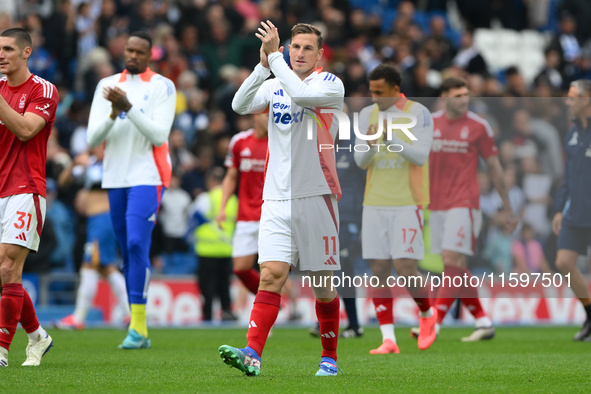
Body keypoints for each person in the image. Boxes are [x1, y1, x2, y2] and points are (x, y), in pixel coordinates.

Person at [218, 21, 345, 377]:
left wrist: (275, 58)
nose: (300, 53)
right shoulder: (275, 83)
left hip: (316, 196)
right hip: (274, 199)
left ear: (320, 54)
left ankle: (329, 357)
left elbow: (302, 96)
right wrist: (263, 65)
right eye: (295, 47)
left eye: (307, 48)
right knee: (271, 274)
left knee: (322, 285)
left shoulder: (330, 84)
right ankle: (252, 353)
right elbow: (239, 104)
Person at [86, 31, 176, 349]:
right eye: (129, 50)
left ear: (151, 55)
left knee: (138, 243)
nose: (133, 56)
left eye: (139, 52)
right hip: (115, 177)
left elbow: (159, 135)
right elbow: (93, 140)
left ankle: (138, 326)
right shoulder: (107, 86)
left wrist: (129, 107)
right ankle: (139, 329)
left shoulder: (163, 86)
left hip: (148, 176)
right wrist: (114, 111)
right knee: (127, 250)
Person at [411, 76, 516, 342]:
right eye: (457, 95)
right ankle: (483, 321)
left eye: (466, 94)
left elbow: (494, 167)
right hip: (436, 206)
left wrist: (508, 206)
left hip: (465, 203)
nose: (464, 99)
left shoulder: (479, 126)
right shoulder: (429, 123)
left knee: (452, 262)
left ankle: (434, 320)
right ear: (444, 97)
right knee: (457, 267)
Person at [354, 64, 437, 353]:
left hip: (407, 202)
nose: (374, 97)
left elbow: (421, 155)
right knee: (378, 270)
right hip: (374, 201)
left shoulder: (417, 113)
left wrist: (392, 138)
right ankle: (388, 338)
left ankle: (427, 314)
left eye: (379, 92)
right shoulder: (367, 115)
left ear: (394, 89)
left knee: (405, 267)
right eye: (371, 91)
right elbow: (360, 161)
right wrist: (373, 142)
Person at [0, 27, 58, 367]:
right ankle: (37, 335)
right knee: (7, 273)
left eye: (8, 48)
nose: (1, 54)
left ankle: (3, 348)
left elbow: (25, 130)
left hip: (26, 187)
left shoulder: (43, 90)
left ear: (26, 52)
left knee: (8, 263)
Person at [56, 146, 130, 329]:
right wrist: (74, 163)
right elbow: (62, 182)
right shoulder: (90, 164)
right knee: (107, 268)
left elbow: (100, 181)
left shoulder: (112, 165)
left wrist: (86, 171)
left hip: (103, 220)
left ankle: (78, 318)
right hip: (96, 222)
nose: (96, 148)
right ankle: (130, 314)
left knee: (89, 265)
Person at [553, 79, 591, 341]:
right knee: (563, 263)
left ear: (587, 99)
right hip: (575, 212)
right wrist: (558, 209)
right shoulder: (572, 133)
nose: (568, 102)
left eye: (573, 97)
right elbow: (567, 176)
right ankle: (590, 315)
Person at [216, 112, 268, 296]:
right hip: (246, 216)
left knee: (273, 270)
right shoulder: (239, 141)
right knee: (240, 269)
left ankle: (280, 308)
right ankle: (271, 302)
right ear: (256, 116)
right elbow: (231, 176)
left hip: (272, 216)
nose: (272, 118)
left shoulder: (281, 142)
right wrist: (222, 207)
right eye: (268, 115)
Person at [191, 167, 238, 321]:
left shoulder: (206, 198)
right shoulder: (233, 199)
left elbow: (192, 217)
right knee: (224, 284)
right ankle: (226, 312)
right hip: (226, 249)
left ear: (210, 181)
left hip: (207, 250)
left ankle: (208, 315)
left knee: (207, 286)